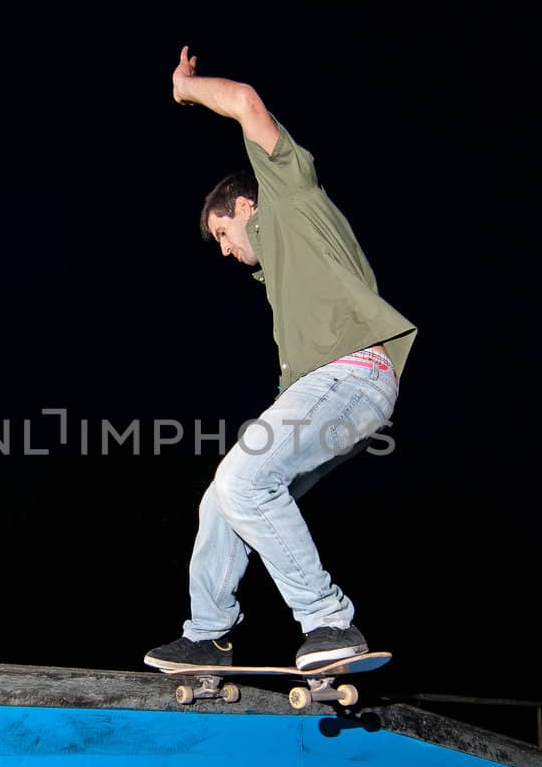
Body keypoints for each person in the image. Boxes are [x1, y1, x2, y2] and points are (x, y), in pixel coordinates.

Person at [144, 46, 417, 674]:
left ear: (244, 207)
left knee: (245, 480)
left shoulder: (286, 197)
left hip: (350, 376)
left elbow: (244, 102)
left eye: (221, 234)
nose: (224, 251)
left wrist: (185, 88)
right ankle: (207, 635)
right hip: (333, 392)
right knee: (225, 497)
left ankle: (329, 621)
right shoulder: (283, 272)